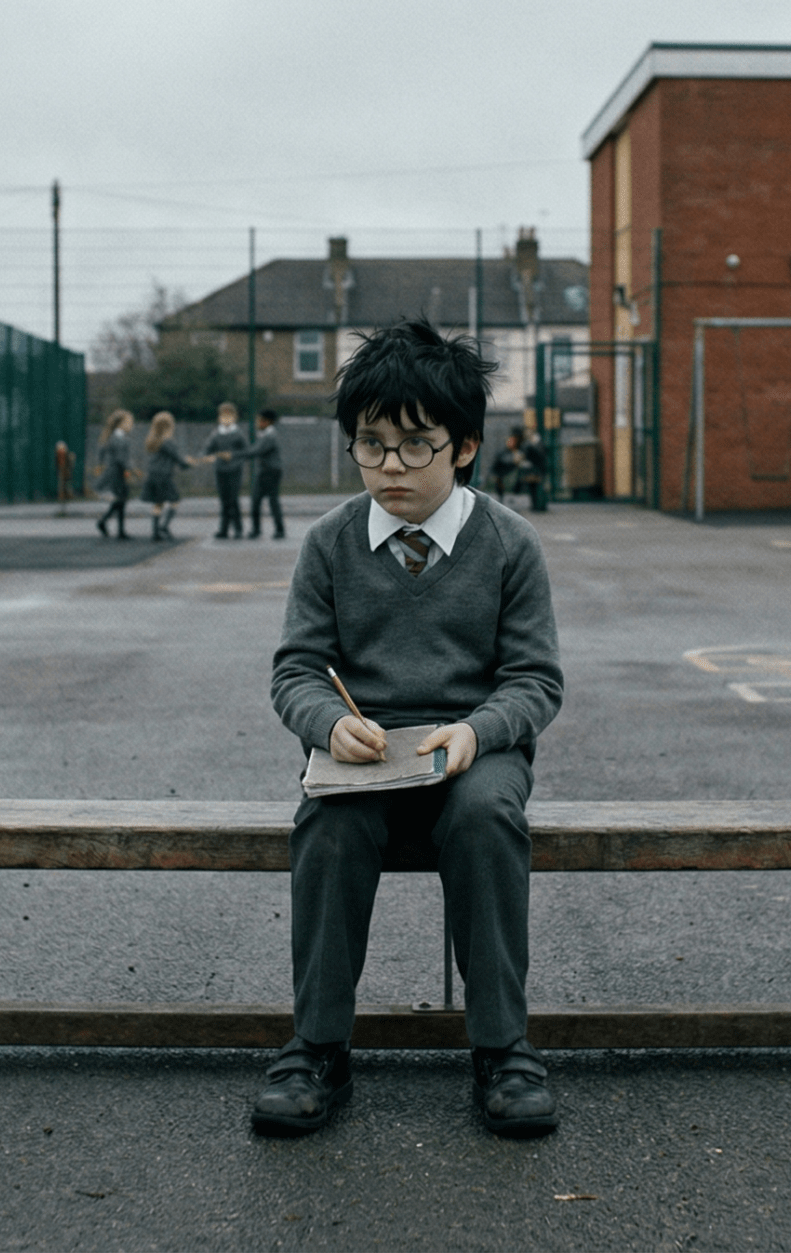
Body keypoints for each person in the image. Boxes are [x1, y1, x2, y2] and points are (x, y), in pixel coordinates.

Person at [256, 318, 563, 1139]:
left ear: (463, 446)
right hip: (368, 745)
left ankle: (502, 1048)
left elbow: (535, 678)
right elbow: (295, 670)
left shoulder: (509, 544)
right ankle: (318, 1046)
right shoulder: (328, 544)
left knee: (486, 818)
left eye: (415, 445)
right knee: (329, 822)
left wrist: (479, 730)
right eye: (371, 444)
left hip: (474, 745)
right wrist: (326, 725)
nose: (389, 465)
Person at [138, 411, 194, 541]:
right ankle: (164, 526)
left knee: (158, 503)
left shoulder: (154, 441)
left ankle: (155, 532)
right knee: (175, 501)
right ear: (169, 426)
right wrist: (188, 463)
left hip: (152, 475)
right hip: (163, 476)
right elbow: (178, 459)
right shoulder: (168, 442)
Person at [203, 402, 251, 538]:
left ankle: (238, 529)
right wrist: (208, 456)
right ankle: (223, 529)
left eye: (229, 415)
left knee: (233, 499)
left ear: (234, 417)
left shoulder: (238, 434)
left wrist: (233, 456)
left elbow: (246, 452)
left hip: (235, 470)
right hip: (220, 470)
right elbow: (207, 450)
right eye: (223, 415)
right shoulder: (216, 434)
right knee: (224, 500)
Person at [92, 409, 137, 540]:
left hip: (117, 471)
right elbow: (121, 458)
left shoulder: (115, 437)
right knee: (121, 500)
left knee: (121, 500)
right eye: (129, 422)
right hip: (116, 473)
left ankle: (115, 528)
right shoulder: (117, 438)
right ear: (121, 423)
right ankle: (108, 524)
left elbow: (102, 453)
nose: (131, 424)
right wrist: (132, 469)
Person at [246, 408, 286, 539]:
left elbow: (255, 451)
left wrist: (234, 455)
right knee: (257, 500)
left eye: (259, 420)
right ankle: (257, 529)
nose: (257, 422)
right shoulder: (265, 435)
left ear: (267, 421)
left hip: (270, 472)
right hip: (265, 471)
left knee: (271, 501)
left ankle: (279, 529)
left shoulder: (270, 436)